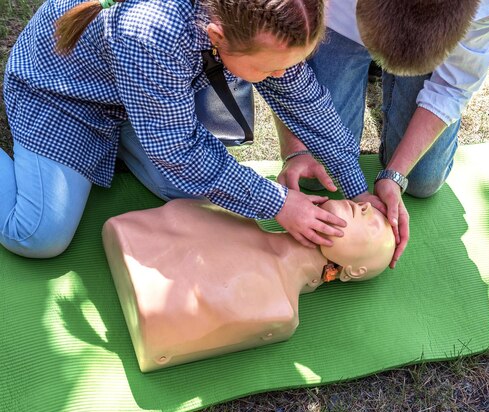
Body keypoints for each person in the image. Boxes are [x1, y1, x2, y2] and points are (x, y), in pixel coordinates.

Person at [0, 0, 385, 259]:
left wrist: (357, 187)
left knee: (193, 193)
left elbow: (305, 99)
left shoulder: (255, 18)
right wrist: (280, 204)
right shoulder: (151, 33)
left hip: (137, 94)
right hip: (62, 95)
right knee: (38, 235)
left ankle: (129, 138)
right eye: (270, 69)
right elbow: (179, 151)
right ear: (217, 36)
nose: (281, 76)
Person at [273, 0, 489, 268]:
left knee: (421, 180)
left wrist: (394, 175)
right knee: (315, 174)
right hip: (333, 21)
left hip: (431, 39)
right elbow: (276, 56)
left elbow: (454, 86)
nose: (367, 209)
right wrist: (296, 150)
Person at [102, 198, 395, 372]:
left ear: (354, 272)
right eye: (368, 207)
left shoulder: (279, 310)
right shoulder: (235, 211)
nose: (367, 205)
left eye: (375, 224)